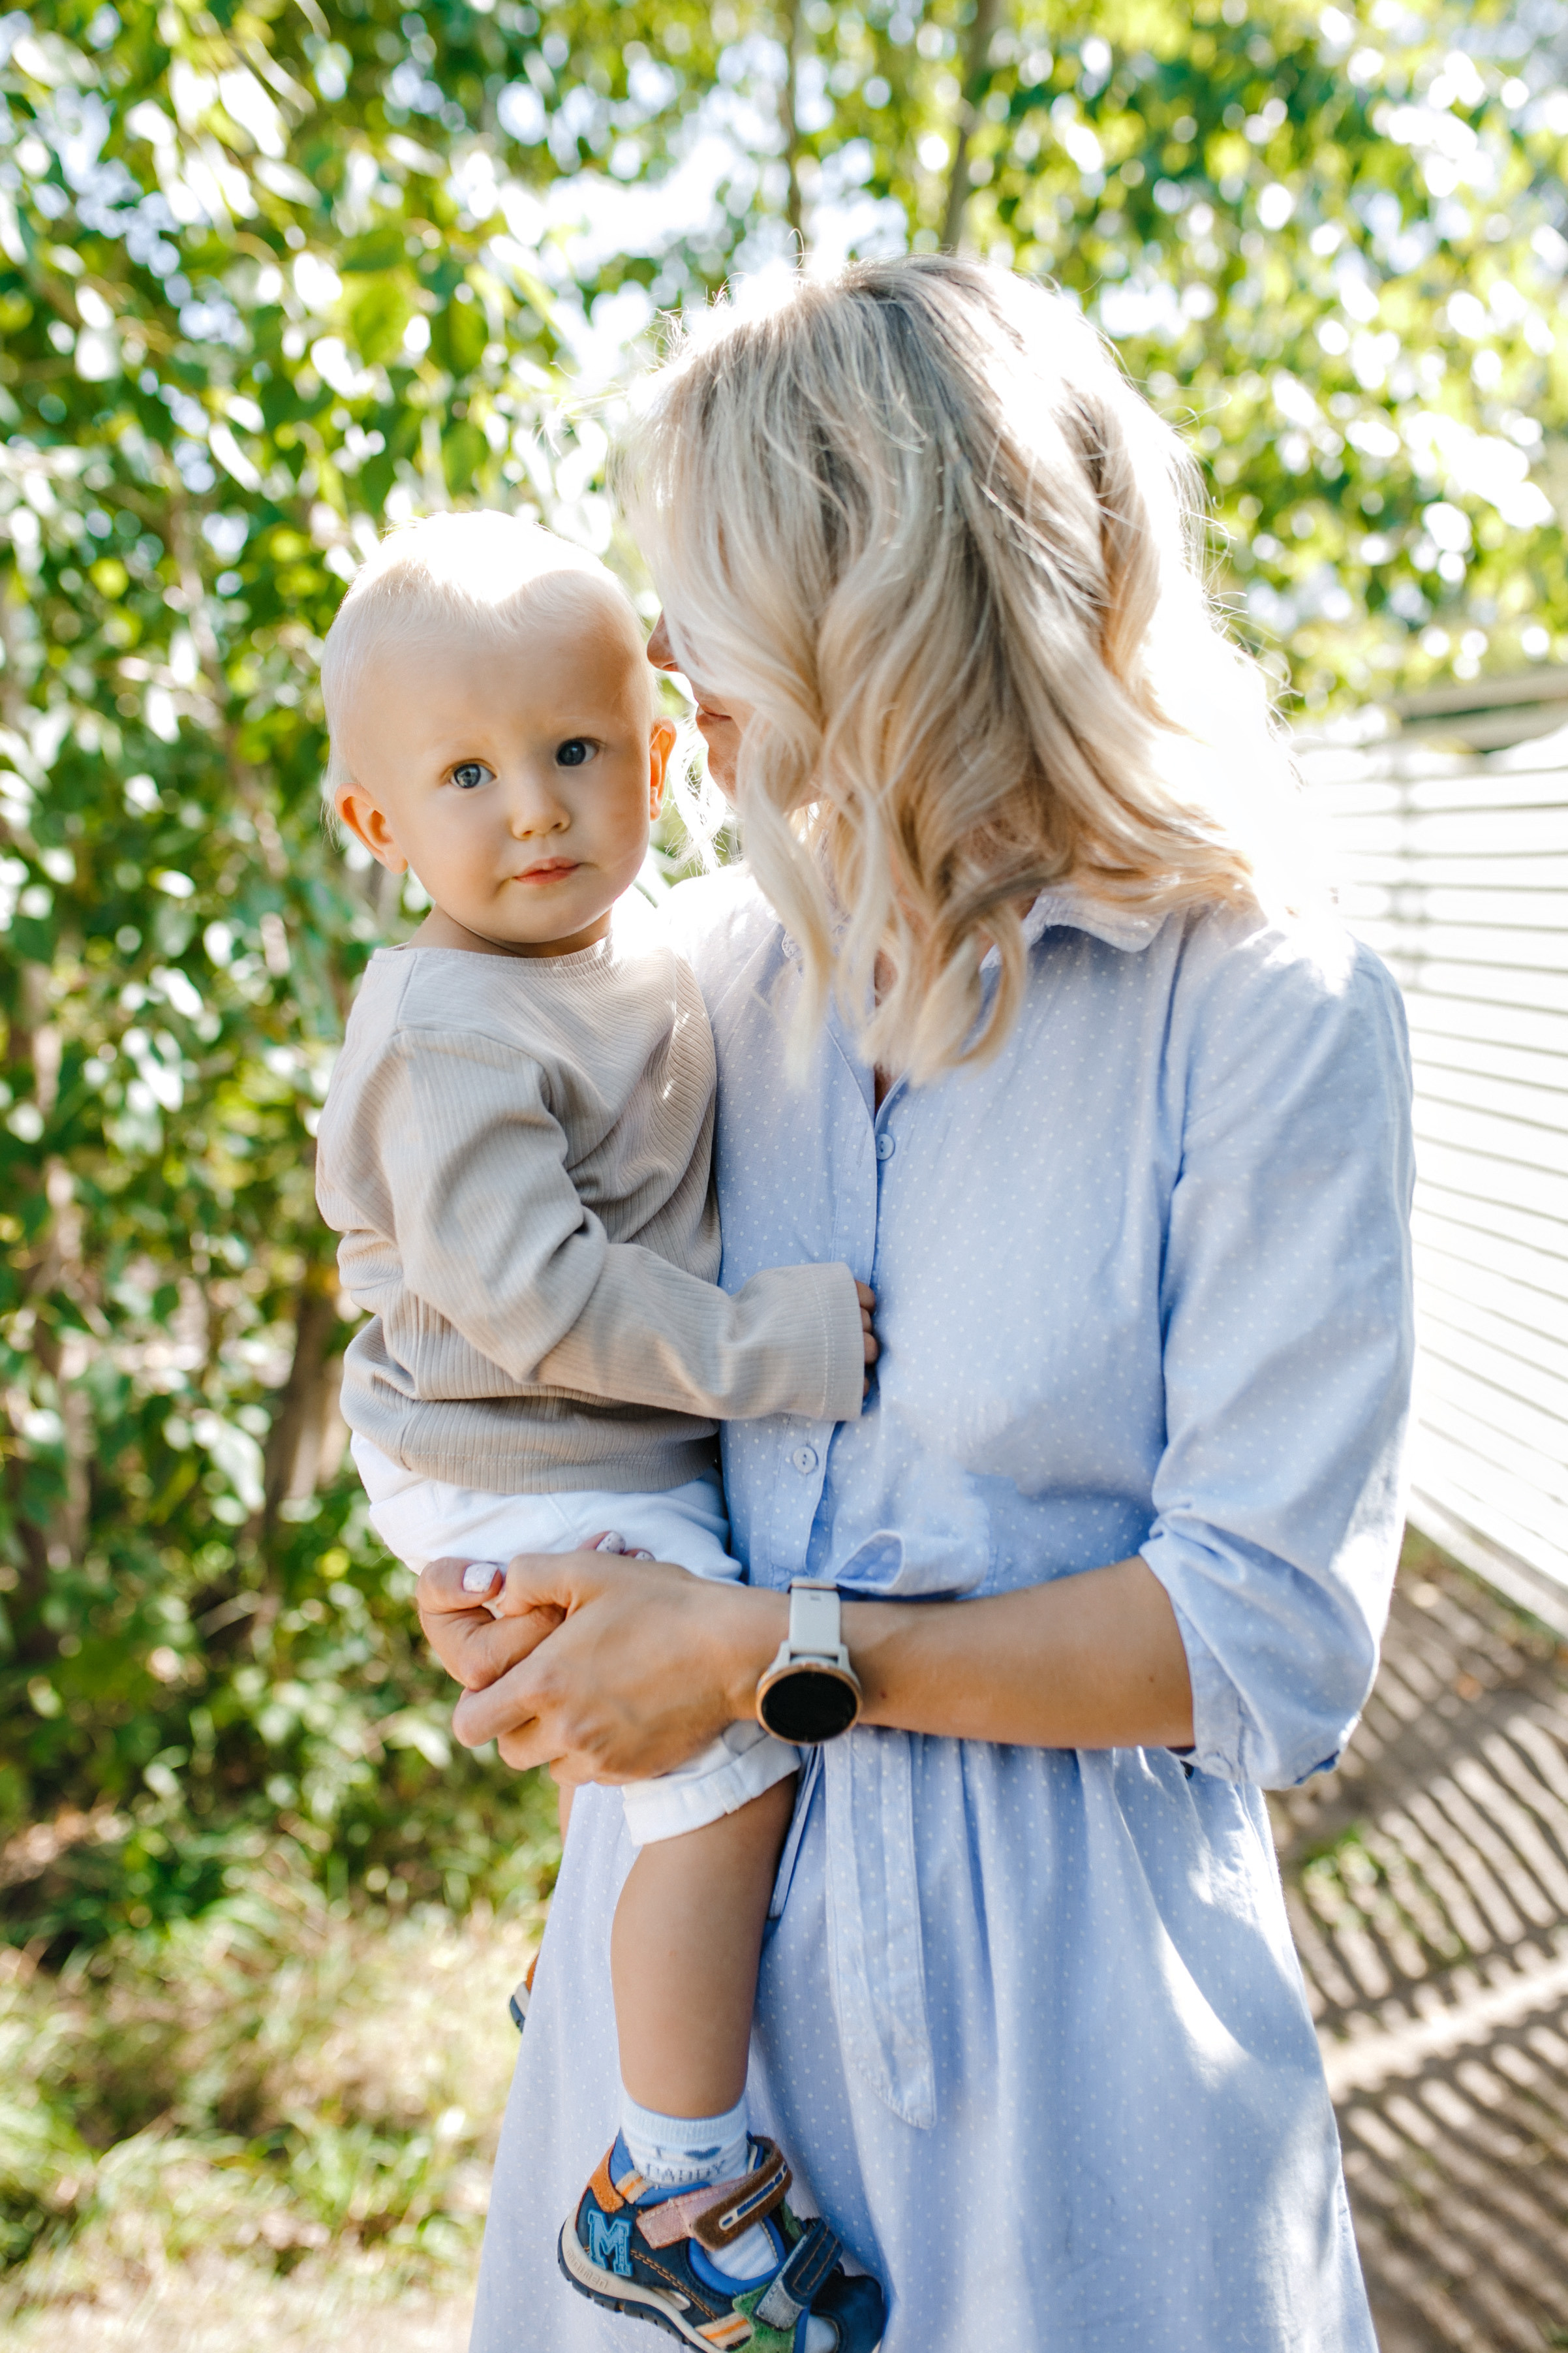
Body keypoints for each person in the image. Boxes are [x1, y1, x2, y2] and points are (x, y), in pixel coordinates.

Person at [422, 258, 1415, 2353]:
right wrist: (515, 1575)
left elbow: (1262, 1639)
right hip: (684, 2075)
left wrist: (772, 1660)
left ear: (880, 601)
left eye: (715, 604)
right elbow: (554, 1373)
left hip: (1068, 2053)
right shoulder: (689, 986)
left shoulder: (1258, 1009)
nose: (678, 676)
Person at [313, 511, 885, 2353]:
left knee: (676, 1769)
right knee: (724, 1763)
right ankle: (673, 2178)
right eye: (467, 777)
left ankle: (601, 2001)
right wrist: (764, 1351)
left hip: (558, 1443)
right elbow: (531, 1292)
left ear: (656, 755)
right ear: (377, 830)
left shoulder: (634, 947)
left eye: (575, 751)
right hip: (512, 1443)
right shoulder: (461, 1019)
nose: (536, 810)